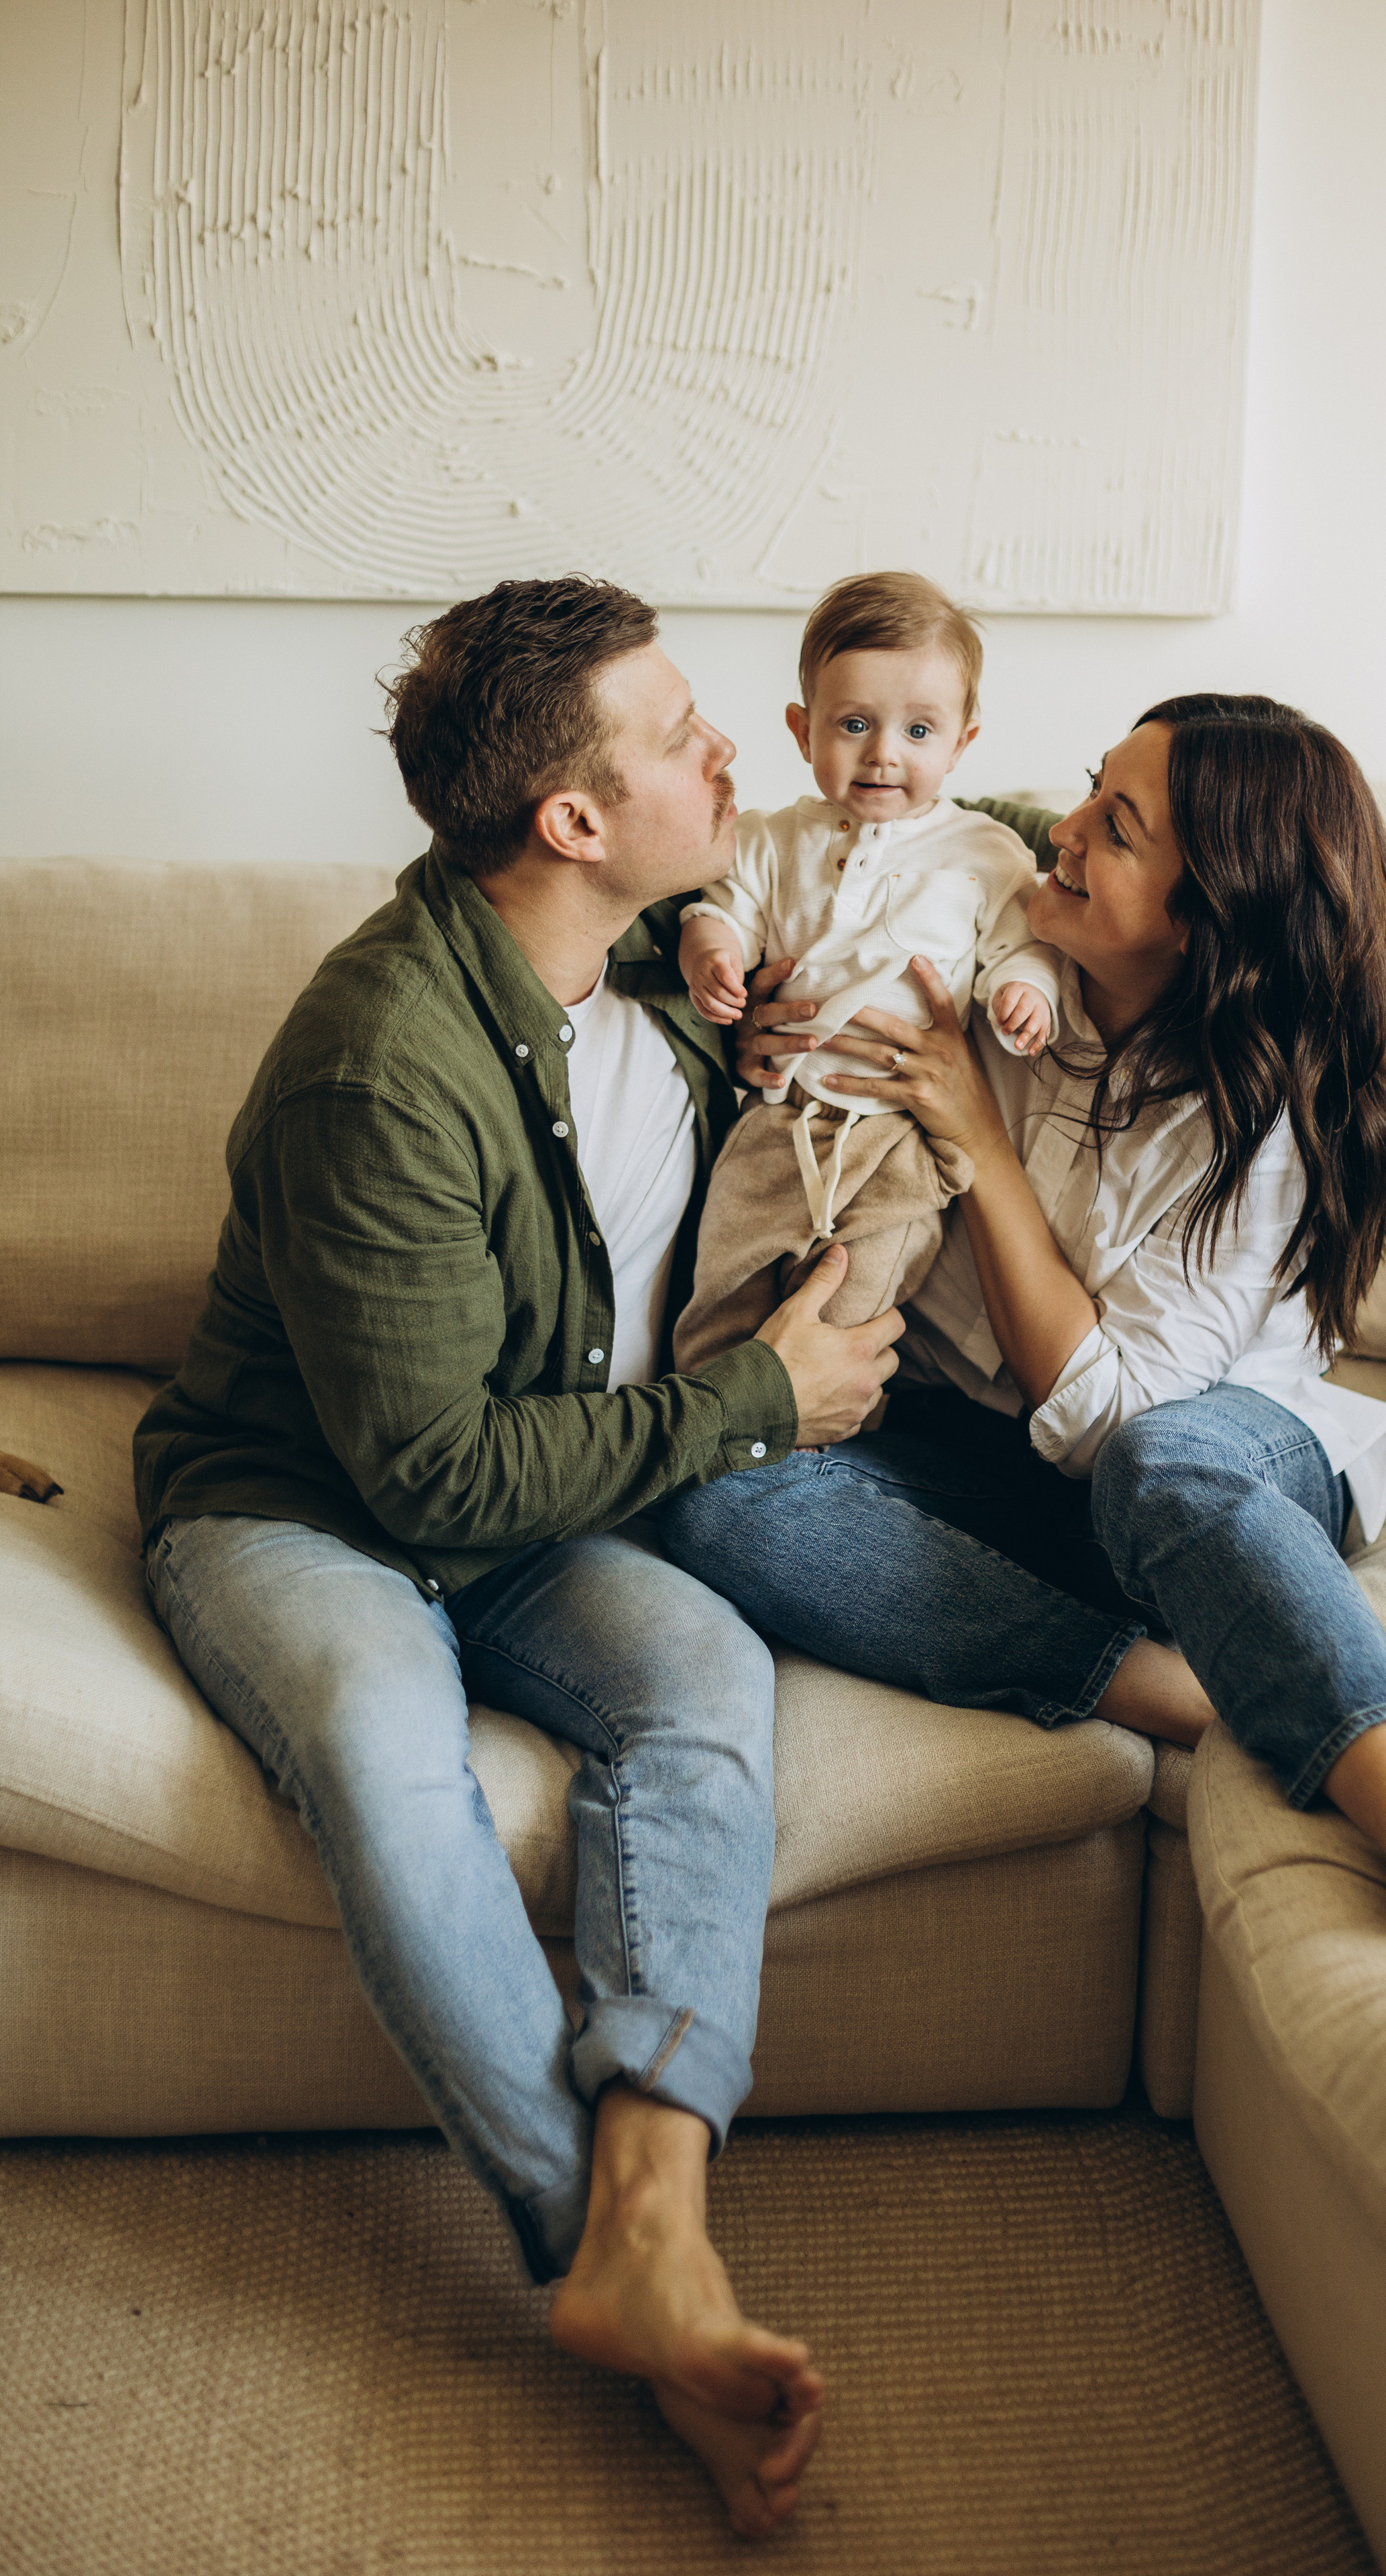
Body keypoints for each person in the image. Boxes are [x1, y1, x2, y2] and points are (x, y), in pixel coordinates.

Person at [131, 576, 910, 2539]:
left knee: (705, 1674)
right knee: (388, 1744)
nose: (732, 749)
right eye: (675, 735)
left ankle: (658, 2194)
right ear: (570, 821)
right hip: (310, 1505)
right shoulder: (377, 1058)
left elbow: (890, 898)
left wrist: (752, 971)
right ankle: (612, 2256)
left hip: (521, 1497)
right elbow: (431, 1475)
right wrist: (758, 1398)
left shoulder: (640, 953)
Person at [659, 695, 1386, 1978]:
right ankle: (1173, 1687)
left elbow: (1113, 1420)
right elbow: (877, 854)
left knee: (1162, 1464)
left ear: (1210, 906)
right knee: (719, 1496)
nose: (1065, 831)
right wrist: (762, 1023)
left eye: (1118, 825)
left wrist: (978, 1145)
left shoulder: (1261, 1107)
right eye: (1089, 790)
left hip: (1209, 1466)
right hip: (993, 1463)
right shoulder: (998, 965)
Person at [672, 571, 1061, 1374]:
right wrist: (710, 951)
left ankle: (827, 1442)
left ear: (963, 743)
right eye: (853, 724)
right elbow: (721, 909)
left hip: (900, 1137)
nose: (884, 754)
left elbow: (1021, 944)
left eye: (919, 732)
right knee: (726, 1291)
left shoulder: (985, 852)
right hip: (777, 1118)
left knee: (854, 1300)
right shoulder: (770, 839)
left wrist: (1027, 991)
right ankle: (705, 1425)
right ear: (802, 729)